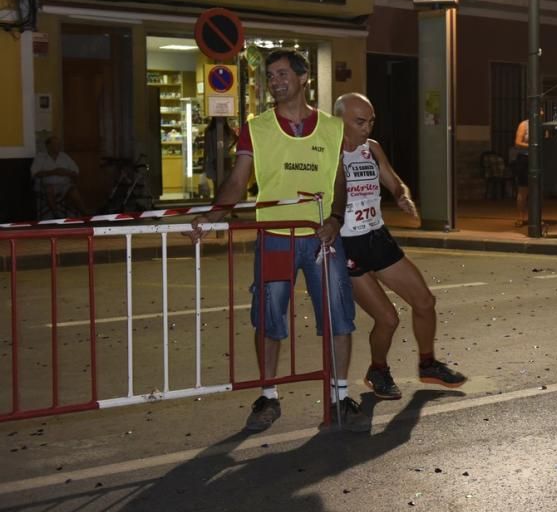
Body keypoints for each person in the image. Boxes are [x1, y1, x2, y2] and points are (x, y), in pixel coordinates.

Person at [188, 49, 368, 433]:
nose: (275, 81)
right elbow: (238, 181)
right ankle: (268, 395)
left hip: (323, 240)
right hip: (274, 237)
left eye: (283, 74)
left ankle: (339, 396)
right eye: (270, 76)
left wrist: (336, 218)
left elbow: (339, 180)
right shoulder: (258, 127)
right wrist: (212, 215)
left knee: (339, 318)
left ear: (304, 78)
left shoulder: (333, 128)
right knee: (269, 320)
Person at [333, 93, 467, 399]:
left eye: (371, 121)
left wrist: (402, 196)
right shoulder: (328, 152)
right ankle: (378, 369)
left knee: (424, 302)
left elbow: (393, 181)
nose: (367, 128)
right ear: (339, 120)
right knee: (388, 319)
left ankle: (427, 362)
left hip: (377, 237)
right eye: (359, 121)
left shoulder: (372, 149)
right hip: (347, 244)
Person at [31, 135, 87, 217]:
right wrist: (53, 172)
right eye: (55, 144)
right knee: (49, 188)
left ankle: (85, 214)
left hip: (64, 185)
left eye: (59, 144)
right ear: (48, 146)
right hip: (45, 186)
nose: (58, 146)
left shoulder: (64, 156)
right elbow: (35, 173)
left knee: (73, 190)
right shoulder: (40, 157)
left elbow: (76, 171)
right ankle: (56, 215)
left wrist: (67, 172)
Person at [513, 118, 530, 227]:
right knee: (523, 189)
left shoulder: (541, 125)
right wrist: (532, 146)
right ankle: (520, 217)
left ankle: (534, 217)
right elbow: (517, 143)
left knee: (535, 190)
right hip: (524, 158)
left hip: (537, 159)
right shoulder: (524, 125)